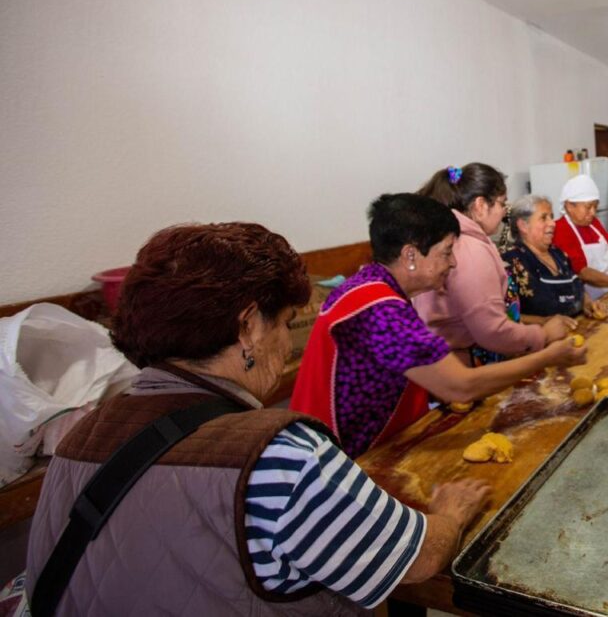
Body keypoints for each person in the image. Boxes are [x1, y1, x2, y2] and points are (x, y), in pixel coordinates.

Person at [25, 222, 492, 616]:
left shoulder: (80, 436)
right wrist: (448, 514)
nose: (288, 346)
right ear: (248, 326)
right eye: (287, 323)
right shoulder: (280, 456)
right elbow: (415, 560)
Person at [291, 194, 585, 458]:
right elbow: (461, 386)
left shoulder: (373, 287)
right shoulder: (380, 309)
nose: (454, 262)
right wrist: (549, 356)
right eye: (446, 251)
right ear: (410, 255)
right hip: (340, 461)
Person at [414, 163, 574, 366]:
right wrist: (543, 334)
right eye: (501, 203)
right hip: (469, 366)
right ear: (480, 206)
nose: (504, 212)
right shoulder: (468, 247)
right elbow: (491, 331)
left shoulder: (458, 238)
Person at [502, 194, 608, 319]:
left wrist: (588, 303)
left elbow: (576, 285)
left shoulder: (558, 253)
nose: (552, 223)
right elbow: (509, 316)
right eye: (544, 218)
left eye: (551, 217)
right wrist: (544, 322)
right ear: (523, 226)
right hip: (542, 337)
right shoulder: (510, 263)